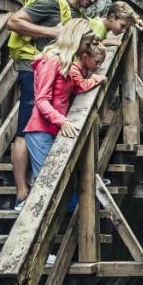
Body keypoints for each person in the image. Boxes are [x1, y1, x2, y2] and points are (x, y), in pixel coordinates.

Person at [6, 0, 112, 210]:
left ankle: (49, 191)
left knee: (43, 129)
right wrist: (54, 32)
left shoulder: (78, 15)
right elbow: (13, 21)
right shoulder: (52, 2)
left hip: (57, 74)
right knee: (24, 129)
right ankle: (22, 193)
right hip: (35, 69)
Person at [24, 20, 106, 185]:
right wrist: (63, 121)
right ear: (76, 39)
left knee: (61, 183)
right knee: (47, 183)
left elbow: (72, 89)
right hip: (41, 130)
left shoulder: (66, 62)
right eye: (87, 43)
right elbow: (41, 100)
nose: (89, 48)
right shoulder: (51, 60)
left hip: (55, 129)